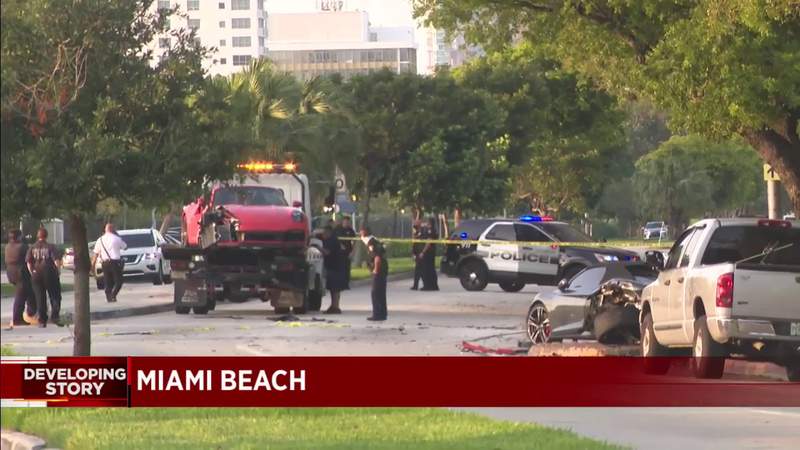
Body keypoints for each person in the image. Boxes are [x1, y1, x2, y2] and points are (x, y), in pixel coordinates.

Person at [25, 228, 61, 327]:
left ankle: (42, 320)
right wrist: (58, 271)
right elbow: (56, 261)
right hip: (49, 273)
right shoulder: (51, 247)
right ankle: (55, 316)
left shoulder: (32, 247)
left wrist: (32, 272)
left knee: (40, 297)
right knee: (55, 295)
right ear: (46, 236)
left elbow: (29, 262)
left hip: (36, 274)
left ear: (38, 236)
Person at [5, 230, 35, 328]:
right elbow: (29, 255)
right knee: (20, 296)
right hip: (20, 272)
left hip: (10, 271)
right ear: (18, 237)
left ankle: (30, 312)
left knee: (27, 292)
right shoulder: (22, 246)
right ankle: (17, 319)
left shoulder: (8, 246)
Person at [92, 223, 127, 303]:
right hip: (115, 263)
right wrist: (117, 235)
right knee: (119, 281)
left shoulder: (100, 240)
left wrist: (93, 266)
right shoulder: (117, 238)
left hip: (105, 263)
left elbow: (95, 254)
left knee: (108, 281)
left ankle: (109, 297)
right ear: (113, 229)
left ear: (105, 230)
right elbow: (125, 247)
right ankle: (113, 295)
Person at [360, 226, 388, 321]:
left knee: (376, 293)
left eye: (362, 231)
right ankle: (382, 314)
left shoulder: (371, 242)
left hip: (379, 270)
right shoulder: (374, 240)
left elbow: (377, 257)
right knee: (380, 293)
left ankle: (377, 314)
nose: (361, 233)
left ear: (366, 232)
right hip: (382, 269)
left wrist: (375, 269)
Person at [321, 225, 345, 314]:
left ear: (328, 232)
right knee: (332, 288)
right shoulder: (331, 239)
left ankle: (336, 307)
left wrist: (318, 248)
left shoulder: (332, 241)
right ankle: (333, 306)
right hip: (333, 266)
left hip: (335, 267)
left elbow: (327, 252)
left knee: (335, 288)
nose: (323, 234)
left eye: (324, 233)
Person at [334, 216, 356, 290]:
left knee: (347, 268)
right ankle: (340, 284)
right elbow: (334, 238)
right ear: (343, 221)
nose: (346, 223)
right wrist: (340, 245)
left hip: (347, 252)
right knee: (340, 268)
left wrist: (352, 251)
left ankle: (346, 284)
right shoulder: (337, 229)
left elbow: (353, 241)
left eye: (348, 222)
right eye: (345, 222)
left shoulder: (350, 230)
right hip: (339, 252)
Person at [420, 218, 439, 291]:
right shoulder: (433, 230)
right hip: (431, 252)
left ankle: (428, 286)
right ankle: (433, 285)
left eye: (427, 222)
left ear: (430, 223)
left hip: (428, 253)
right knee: (431, 269)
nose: (426, 224)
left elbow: (428, 242)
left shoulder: (430, 231)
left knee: (427, 270)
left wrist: (423, 252)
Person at [410, 220, 424, 290]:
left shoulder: (422, 233)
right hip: (417, 253)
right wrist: (413, 253)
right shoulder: (416, 233)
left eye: (416, 225)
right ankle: (415, 285)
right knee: (418, 270)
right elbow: (414, 244)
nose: (415, 227)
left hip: (420, 253)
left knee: (420, 270)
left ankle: (418, 285)